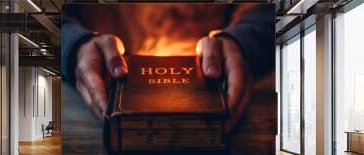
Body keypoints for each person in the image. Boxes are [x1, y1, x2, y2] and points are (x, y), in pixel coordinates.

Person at [61, 4, 274, 132]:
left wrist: (241, 40)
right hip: (95, 96)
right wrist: (75, 44)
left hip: (215, 81)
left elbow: (264, 10)